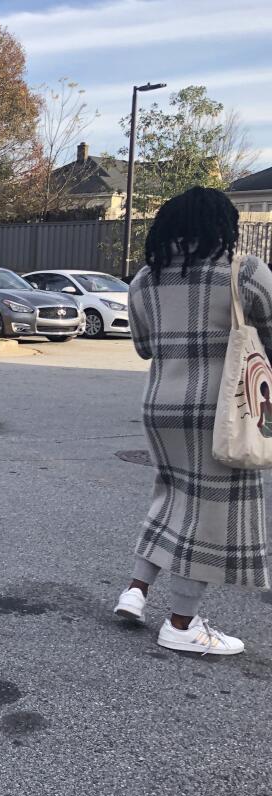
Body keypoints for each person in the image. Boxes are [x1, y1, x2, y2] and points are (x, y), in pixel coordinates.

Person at [113, 186, 272, 655]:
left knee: (172, 497)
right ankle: (182, 624)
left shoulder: (144, 280)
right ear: (222, 226)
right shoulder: (245, 273)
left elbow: (143, 347)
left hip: (161, 409)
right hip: (224, 412)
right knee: (211, 517)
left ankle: (135, 592)